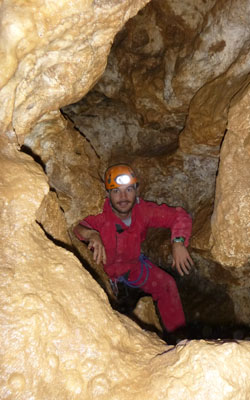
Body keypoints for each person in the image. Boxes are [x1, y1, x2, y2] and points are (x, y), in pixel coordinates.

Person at [74, 164, 194, 336]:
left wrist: (178, 242)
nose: (123, 197)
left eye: (128, 189)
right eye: (116, 191)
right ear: (108, 194)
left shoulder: (143, 211)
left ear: (136, 191)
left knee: (167, 285)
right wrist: (91, 234)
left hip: (132, 267)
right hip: (104, 272)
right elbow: (76, 226)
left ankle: (181, 341)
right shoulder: (101, 215)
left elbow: (179, 216)